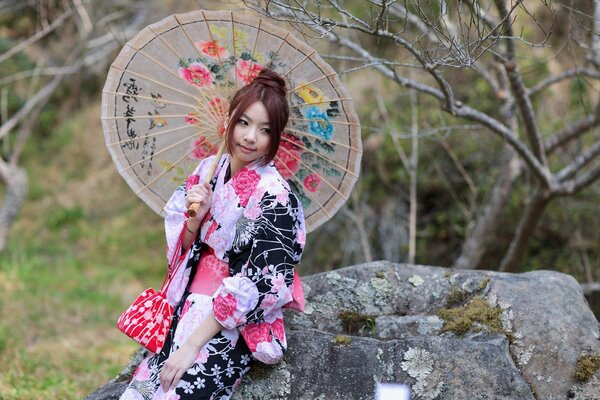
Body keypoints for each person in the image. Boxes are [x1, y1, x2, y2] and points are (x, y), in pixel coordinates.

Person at [120, 68, 306, 400]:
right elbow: (181, 251)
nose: (250, 137)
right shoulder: (208, 171)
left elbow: (260, 280)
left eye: (265, 130)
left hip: (227, 325)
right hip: (185, 307)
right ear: (231, 120)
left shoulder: (275, 194)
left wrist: (193, 344)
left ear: (275, 137)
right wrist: (196, 219)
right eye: (244, 123)